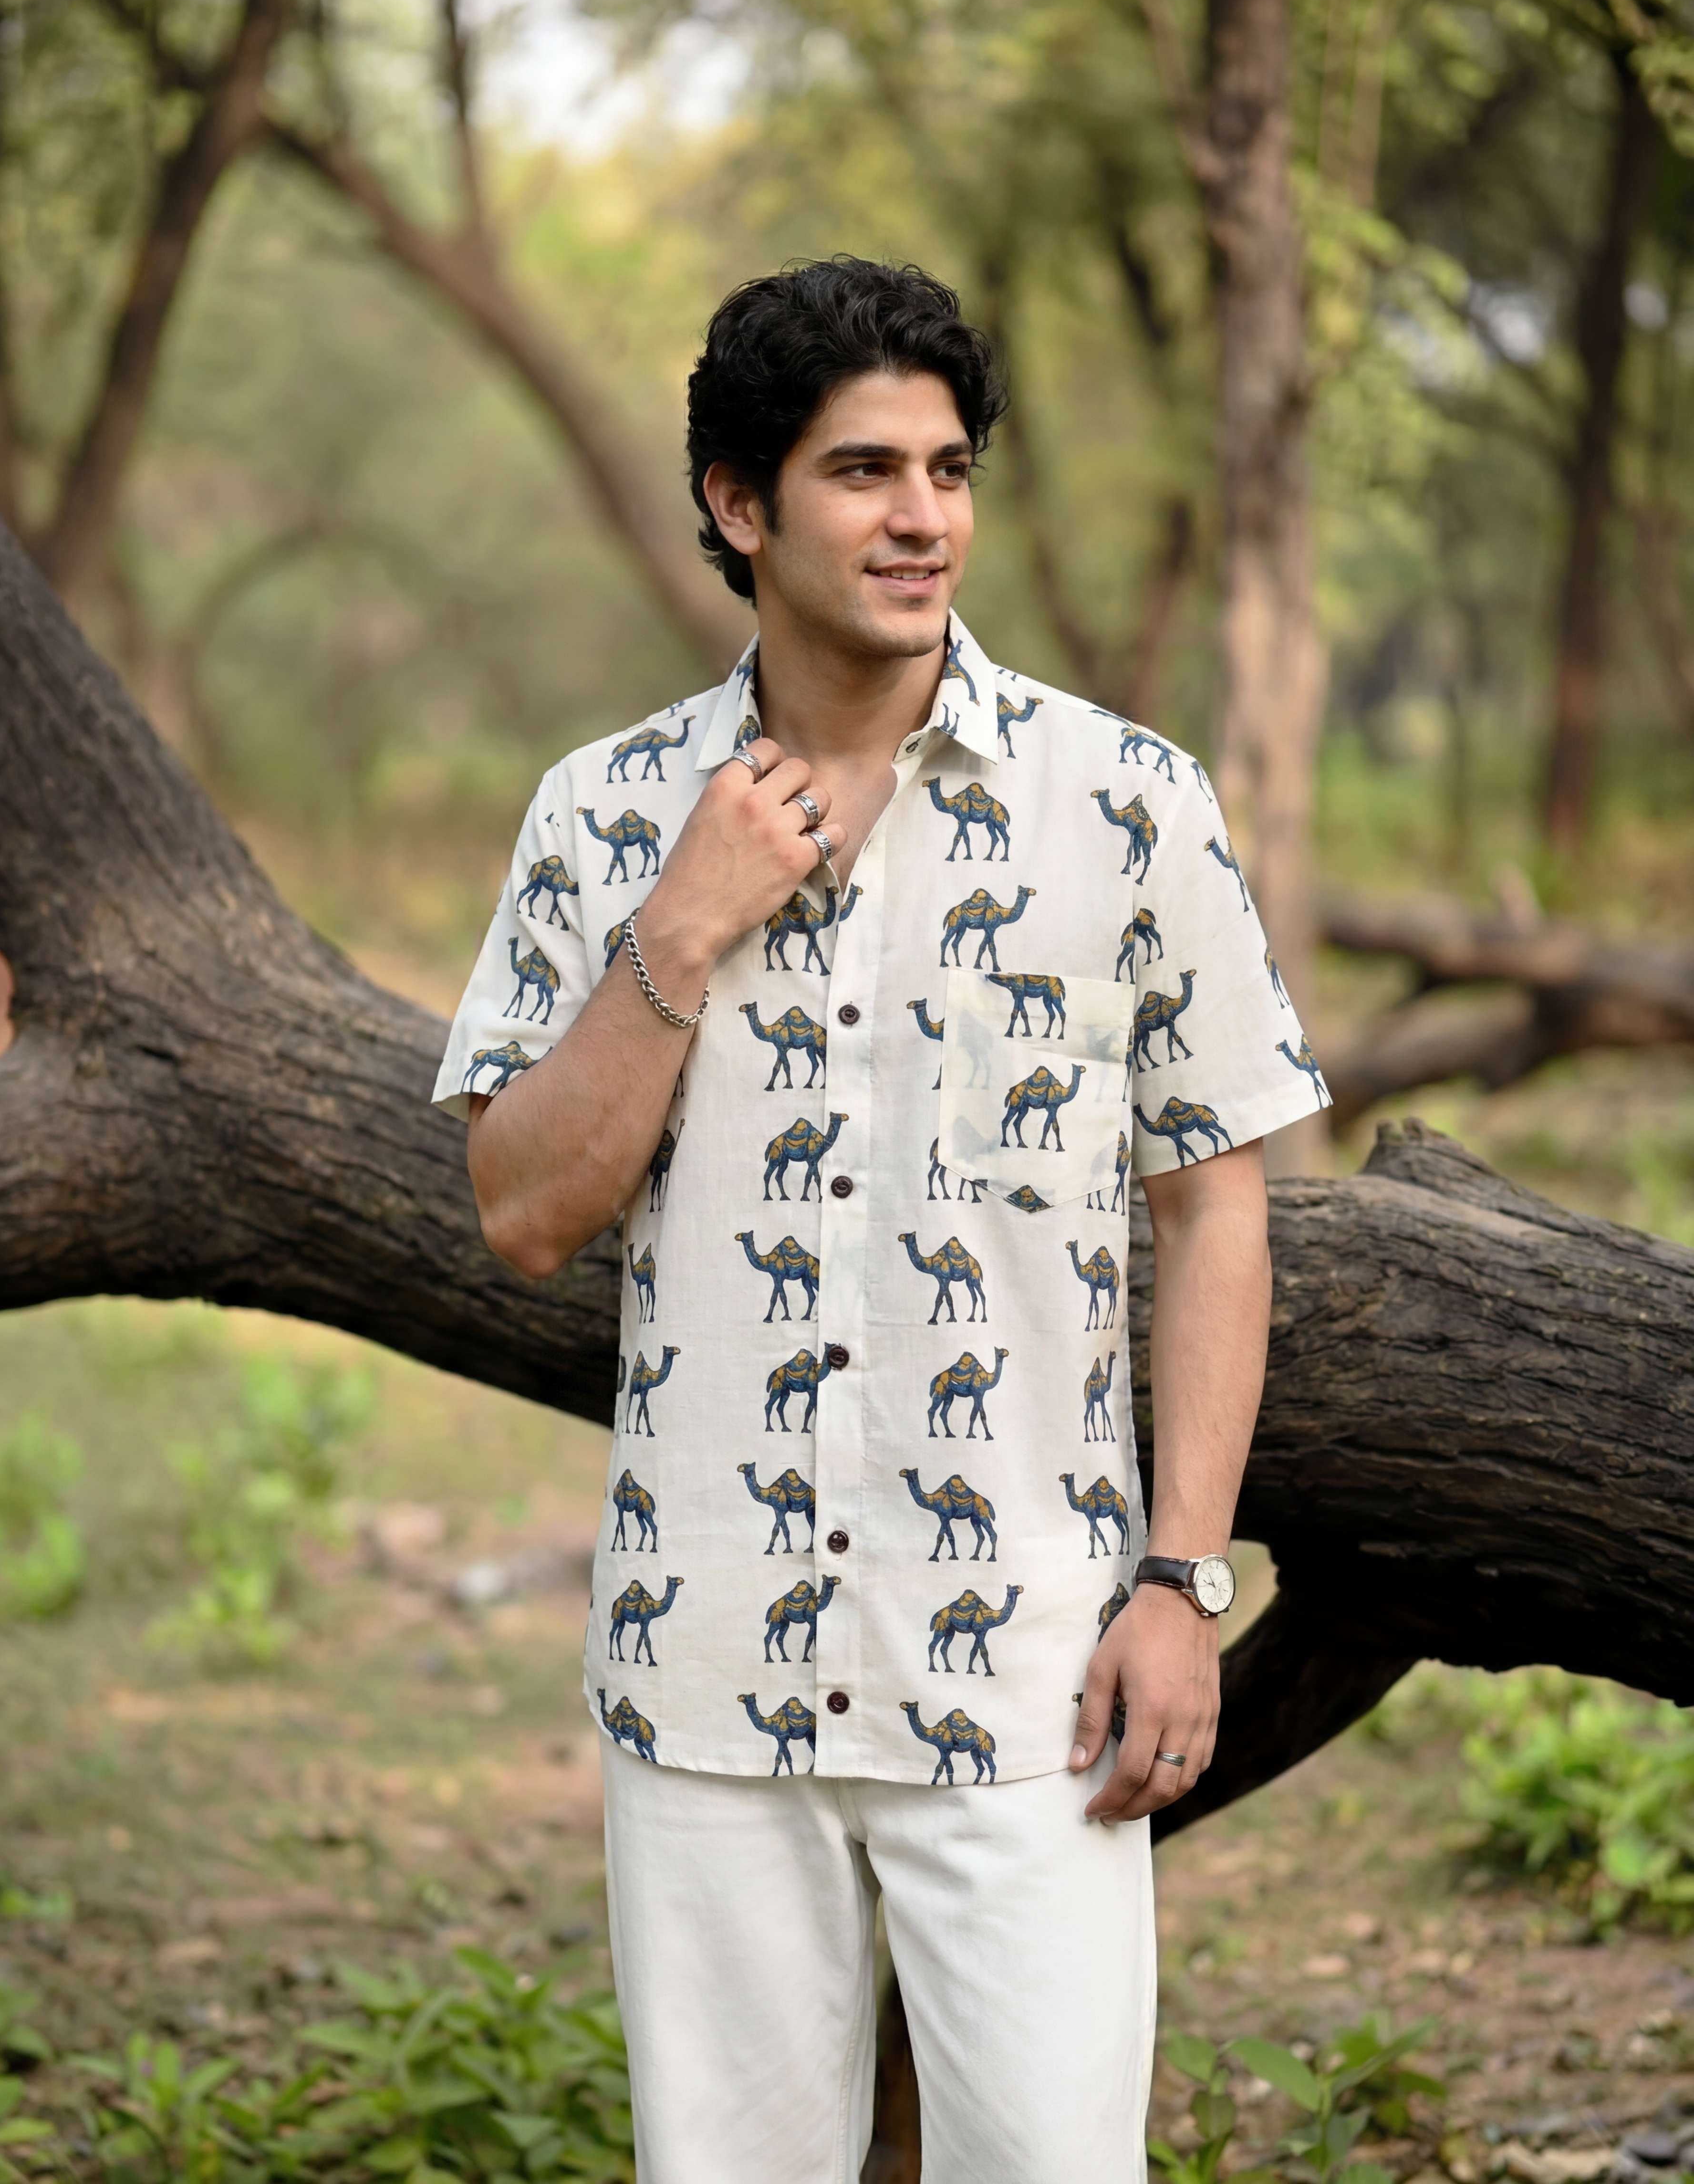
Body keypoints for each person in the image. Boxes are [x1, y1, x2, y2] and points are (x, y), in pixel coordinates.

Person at [431, 256, 1328, 2184]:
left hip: (1029, 1684)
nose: (922, 517)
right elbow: (522, 1211)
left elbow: (1216, 1215)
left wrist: (1182, 1584)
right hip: (708, 1679)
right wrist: (683, 927)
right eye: (862, 471)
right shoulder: (603, 817)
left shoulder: (1126, 806)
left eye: (948, 469)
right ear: (737, 504)